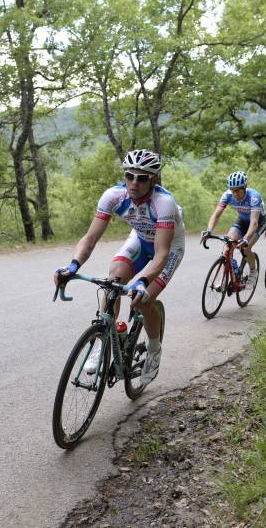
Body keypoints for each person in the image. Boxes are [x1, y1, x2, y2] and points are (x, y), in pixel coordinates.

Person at [53, 149, 185, 385]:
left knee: (141, 299)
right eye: (129, 175)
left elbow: (162, 253)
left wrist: (143, 282)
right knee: (113, 280)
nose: (134, 182)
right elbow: (90, 238)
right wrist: (72, 266)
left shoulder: (163, 203)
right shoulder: (113, 196)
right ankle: (103, 339)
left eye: (142, 177)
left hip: (168, 247)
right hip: (139, 239)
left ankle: (154, 349)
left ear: (152, 179)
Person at [202, 170, 265, 273]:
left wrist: (246, 239)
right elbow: (216, 214)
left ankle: (253, 272)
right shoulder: (227, 195)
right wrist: (209, 230)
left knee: (246, 248)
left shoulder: (254, 197)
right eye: (232, 190)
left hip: (258, 223)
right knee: (228, 246)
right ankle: (232, 273)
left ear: (244, 187)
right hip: (242, 220)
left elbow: (254, 222)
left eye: (237, 190)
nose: (235, 194)